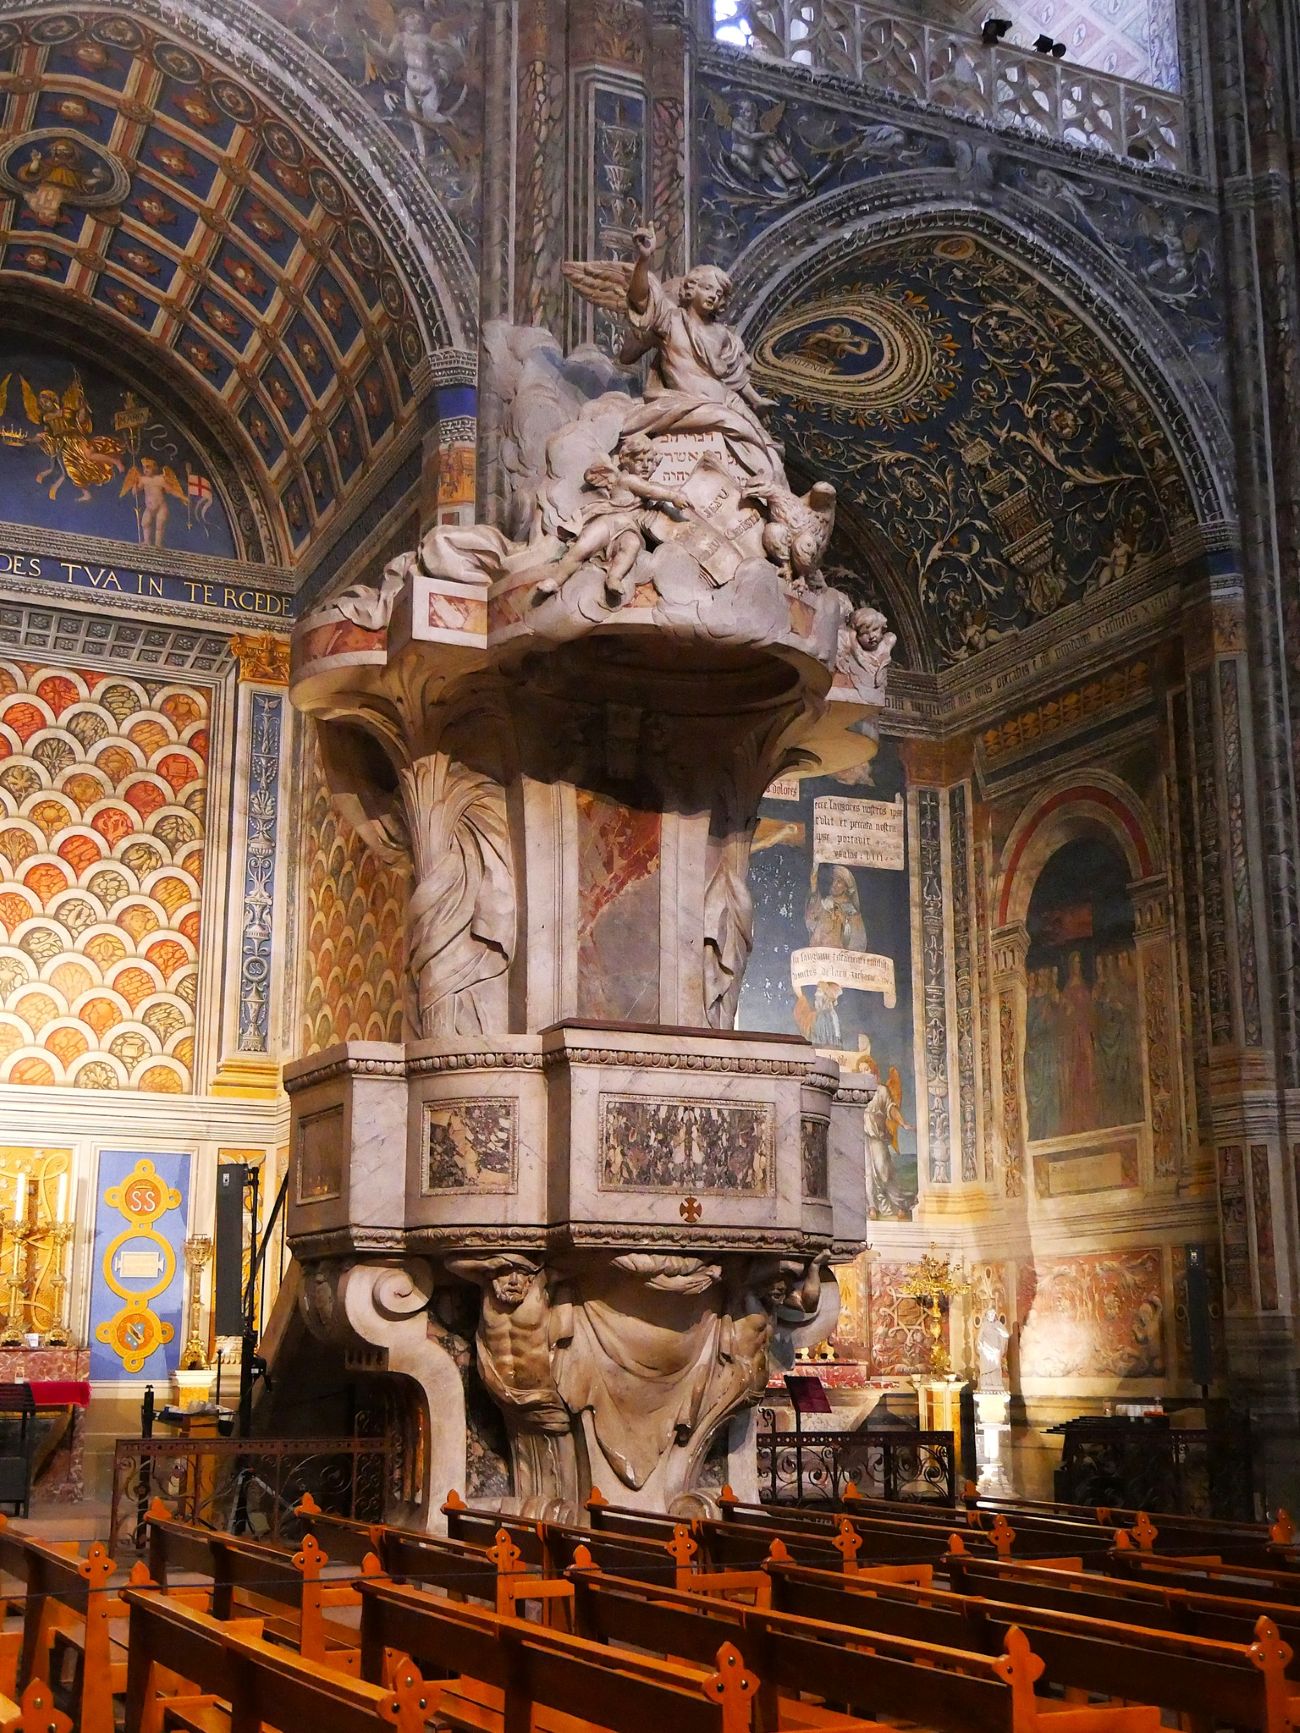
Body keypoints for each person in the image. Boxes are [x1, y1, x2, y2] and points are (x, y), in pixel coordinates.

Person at [534, 436, 690, 607]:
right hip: (609, 521)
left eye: (650, 461)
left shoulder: (646, 486)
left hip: (629, 529)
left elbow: (654, 491)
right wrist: (674, 496)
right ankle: (556, 580)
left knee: (631, 546)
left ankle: (615, 577)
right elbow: (651, 491)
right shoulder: (627, 480)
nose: (645, 466)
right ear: (626, 462)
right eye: (639, 461)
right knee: (583, 547)